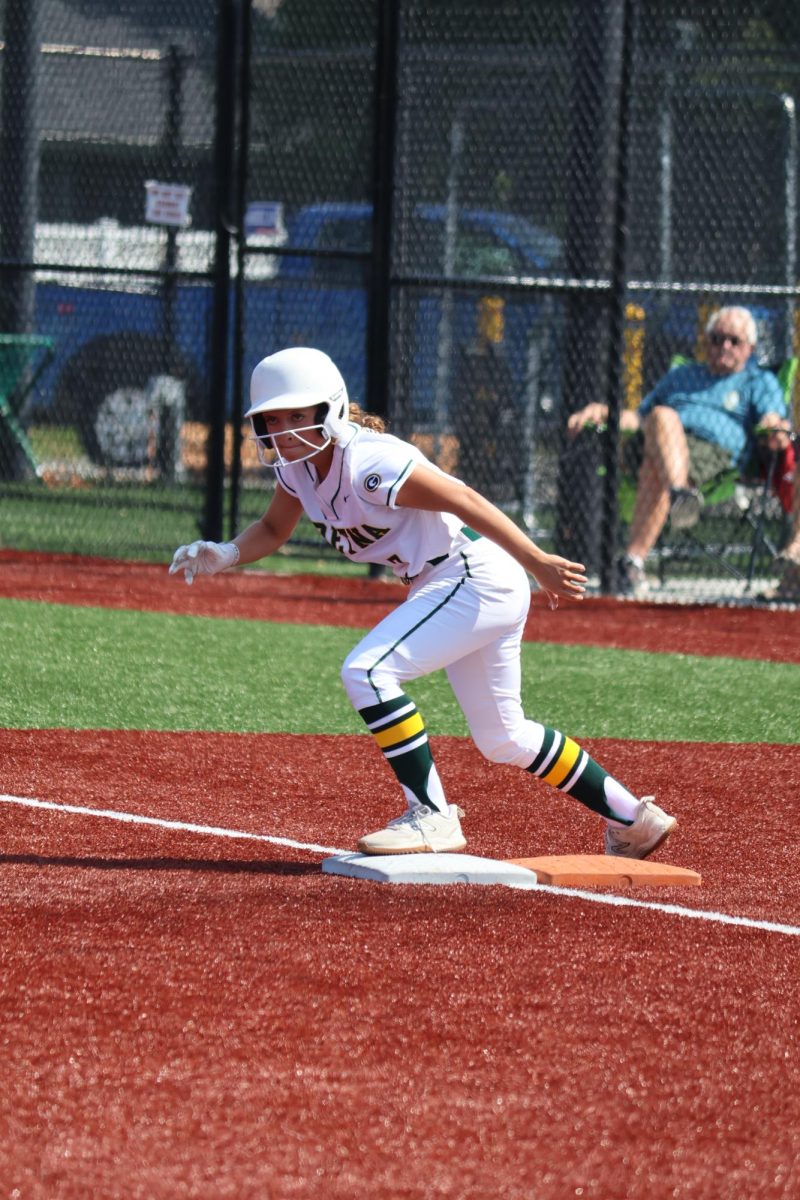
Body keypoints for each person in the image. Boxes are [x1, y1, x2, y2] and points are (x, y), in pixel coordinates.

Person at [170, 346, 677, 860]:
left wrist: (536, 560)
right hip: (455, 582)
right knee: (504, 737)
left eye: (297, 416)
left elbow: (466, 499)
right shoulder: (298, 468)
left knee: (366, 671)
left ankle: (431, 815)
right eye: (271, 419)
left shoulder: (369, 461)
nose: (283, 430)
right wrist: (227, 553)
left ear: (331, 409)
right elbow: (275, 527)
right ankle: (634, 819)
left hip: (471, 574)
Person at [567, 306, 789, 595]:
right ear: (706, 341)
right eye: (717, 338)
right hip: (656, 441)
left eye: (733, 340)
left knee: (655, 455)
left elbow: (772, 419)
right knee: (662, 418)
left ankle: (633, 562)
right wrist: (603, 413)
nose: (724, 346)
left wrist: (773, 424)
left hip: (713, 454)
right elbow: (639, 418)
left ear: (750, 348)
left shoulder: (758, 381)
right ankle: (680, 495)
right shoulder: (682, 374)